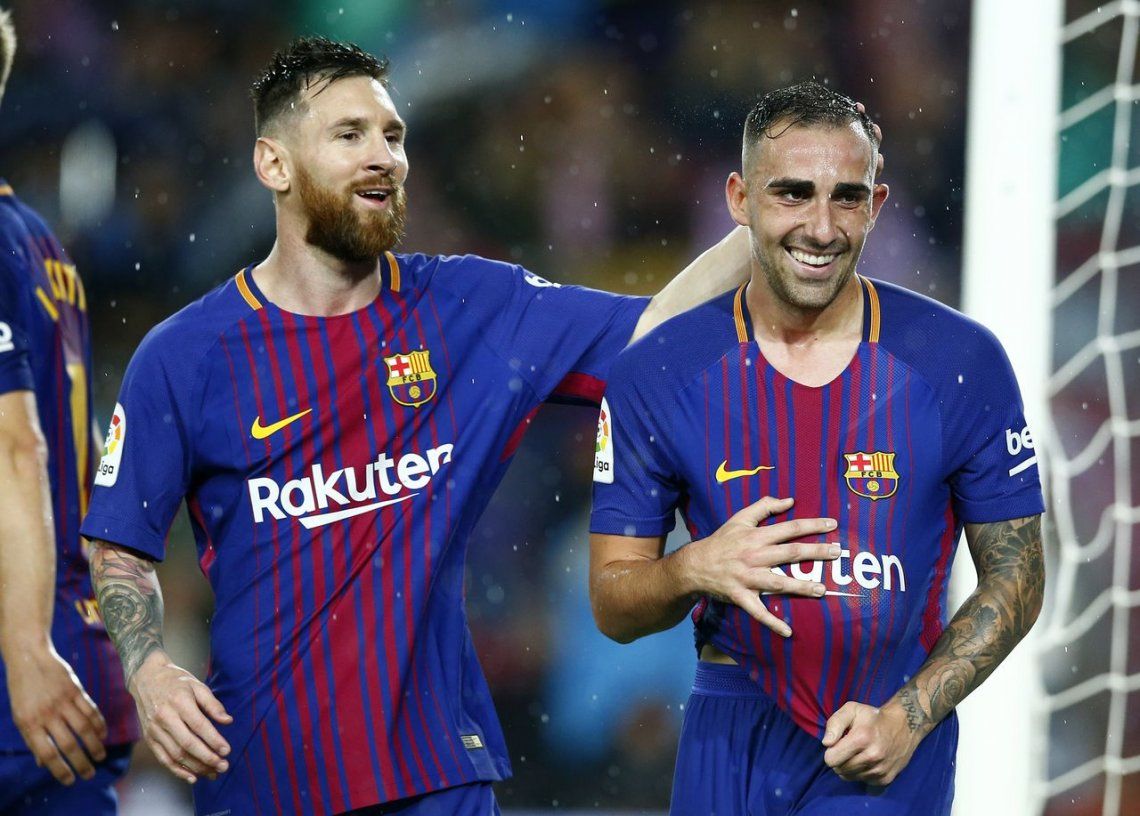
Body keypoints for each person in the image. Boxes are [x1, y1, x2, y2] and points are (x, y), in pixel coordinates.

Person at [77, 36, 806, 816]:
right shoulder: (186, 357)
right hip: (264, 780)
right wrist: (148, 670)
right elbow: (119, 544)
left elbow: (652, 335)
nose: (383, 157)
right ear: (274, 165)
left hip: (435, 779)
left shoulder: (467, 309)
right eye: (349, 135)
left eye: (392, 136)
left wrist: (776, 214)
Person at [588, 81, 1046, 815]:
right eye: (793, 194)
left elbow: (1017, 576)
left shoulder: (960, 360)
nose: (822, 227)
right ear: (740, 199)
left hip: (886, 737)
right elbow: (614, 604)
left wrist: (911, 716)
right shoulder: (661, 370)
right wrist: (691, 569)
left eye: (848, 198)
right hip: (728, 734)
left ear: (878, 204)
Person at [0, 8, 137, 815]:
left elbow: (17, 448)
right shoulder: (42, 246)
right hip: (76, 651)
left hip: (20, 677)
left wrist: (25, 650)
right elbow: (86, 456)